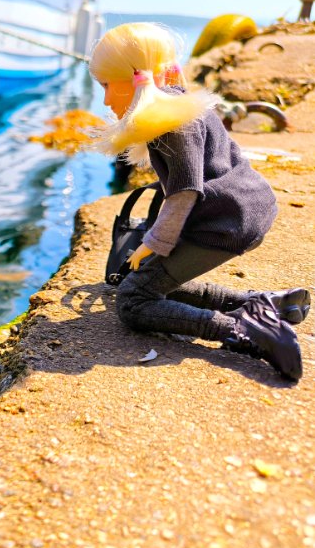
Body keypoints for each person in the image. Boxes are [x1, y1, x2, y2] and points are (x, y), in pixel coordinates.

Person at [88, 22, 309, 381]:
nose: (105, 99)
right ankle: (261, 303)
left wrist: (152, 243)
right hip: (240, 209)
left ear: (131, 79)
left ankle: (244, 331)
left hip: (223, 221)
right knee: (157, 282)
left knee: (133, 300)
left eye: (106, 85)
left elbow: (185, 190)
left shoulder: (173, 124)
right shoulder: (179, 103)